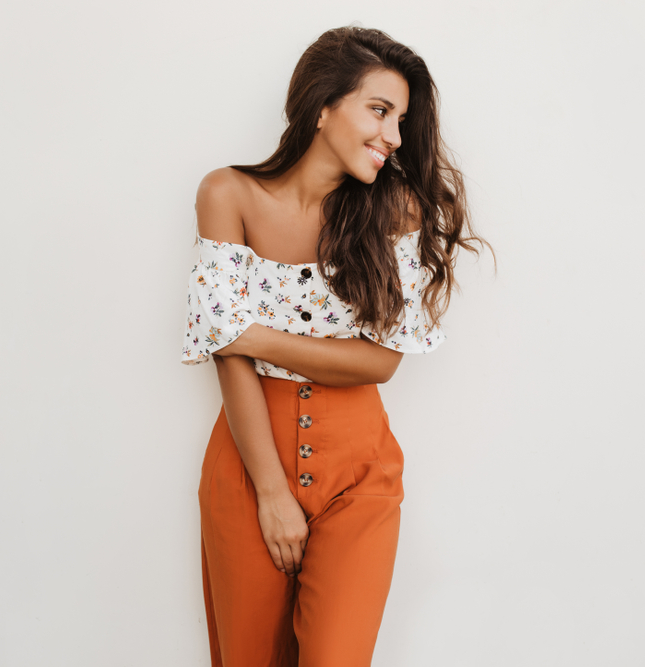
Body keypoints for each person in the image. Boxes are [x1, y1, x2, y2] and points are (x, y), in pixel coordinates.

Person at [181, 26, 488, 667]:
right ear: (323, 105)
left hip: (361, 476)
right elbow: (226, 357)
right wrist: (270, 490)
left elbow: (381, 361)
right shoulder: (227, 194)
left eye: (402, 120)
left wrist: (253, 334)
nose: (395, 137)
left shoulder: (396, 209)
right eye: (379, 110)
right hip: (245, 466)